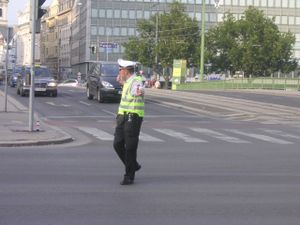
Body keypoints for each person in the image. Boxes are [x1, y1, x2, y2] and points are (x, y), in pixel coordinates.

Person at [113, 59, 145, 185]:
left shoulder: (136, 81)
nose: (119, 71)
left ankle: (129, 176)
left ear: (126, 70)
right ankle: (133, 165)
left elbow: (139, 89)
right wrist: (122, 82)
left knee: (130, 147)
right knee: (117, 144)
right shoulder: (127, 81)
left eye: (120, 69)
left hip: (133, 116)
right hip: (122, 116)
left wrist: (140, 91)